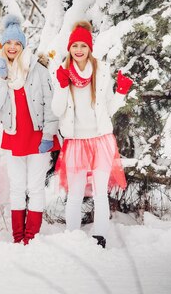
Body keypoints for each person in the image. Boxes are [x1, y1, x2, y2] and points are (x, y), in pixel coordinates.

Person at [52, 20, 132, 248]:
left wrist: (121, 93)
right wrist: (60, 85)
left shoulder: (102, 71)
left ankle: (100, 237)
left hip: (100, 141)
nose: (79, 50)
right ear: (69, 48)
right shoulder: (63, 72)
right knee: (76, 194)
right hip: (76, 141)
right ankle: (72, 236)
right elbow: (57, 110)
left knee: (99, 192)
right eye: (75, 46)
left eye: (83, 46)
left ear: (89, 48)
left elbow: (109, 108)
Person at [0, 15, 60, 244]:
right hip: (13, 136)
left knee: (35, 187)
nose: (12, 47)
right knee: (17, 188)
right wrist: (1, 78)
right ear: (3, 45)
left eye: (17, 43)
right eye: (8, 43)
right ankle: (18, 236)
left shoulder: (38, 69)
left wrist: (48, 134)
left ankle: (32, 235)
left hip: (38, 137)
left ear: (23, 45)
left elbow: (50, 104)